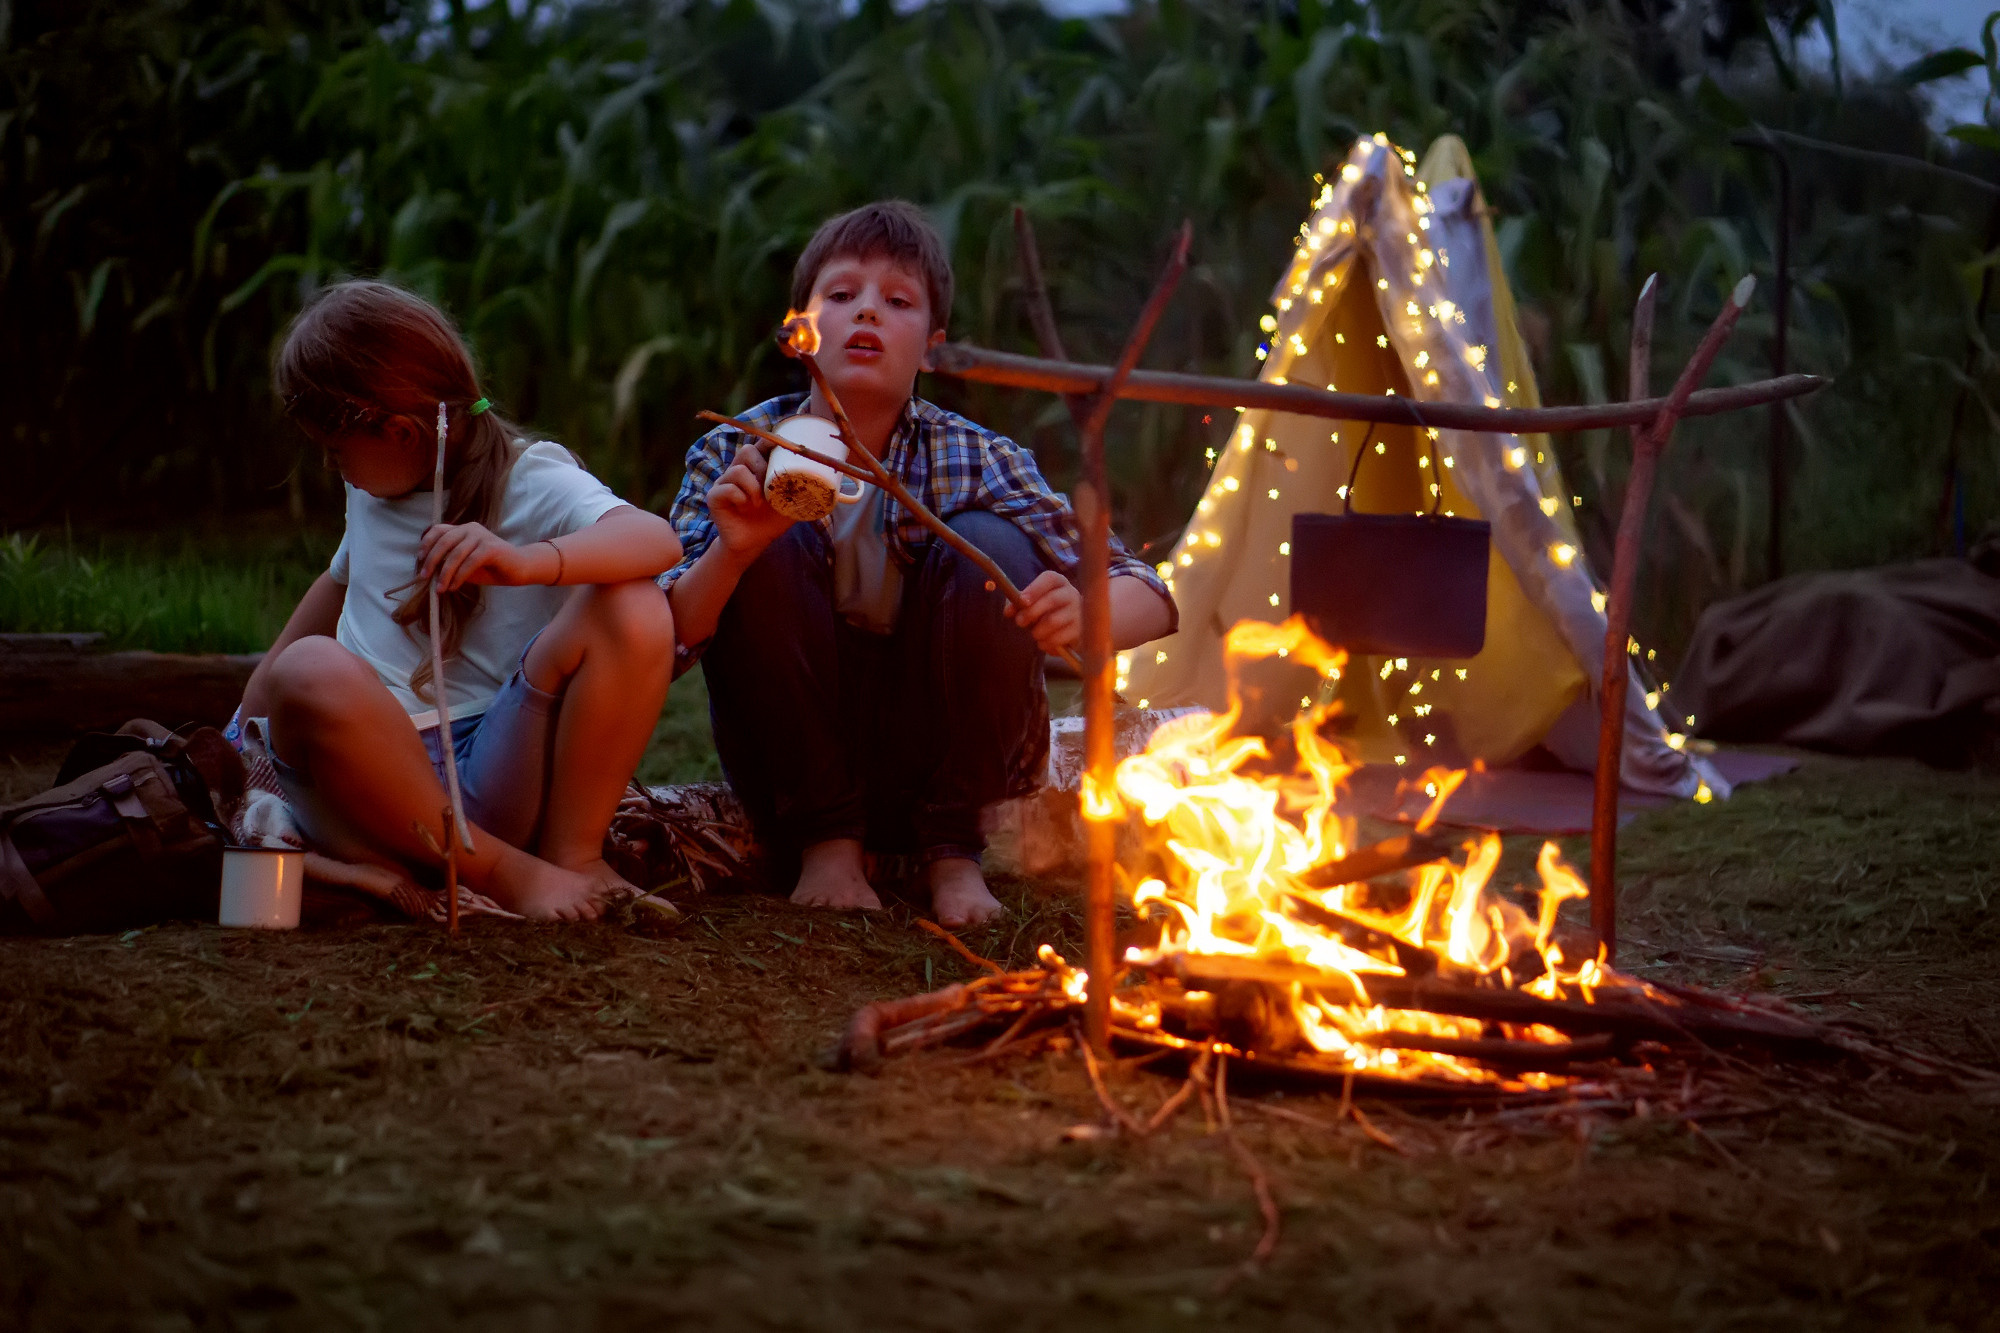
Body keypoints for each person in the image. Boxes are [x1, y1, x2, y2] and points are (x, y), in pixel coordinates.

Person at [662, 201, 1177, 928]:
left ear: (932, 349)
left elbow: (1148, 592)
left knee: (990, 542)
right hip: (788, 765)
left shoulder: (973, 455)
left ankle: (953, 854)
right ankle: (828, 847)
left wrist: (1085, 614)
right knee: (764, 542)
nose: (867, 311)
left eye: (897, 301)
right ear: (799, 332)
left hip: (939, 758)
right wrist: (735, 550)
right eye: (842, 294)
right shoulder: (735, 451)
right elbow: (671, 634)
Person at [236, 280, 681, 921]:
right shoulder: (374, 488)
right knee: (307, 666)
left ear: (401, 432)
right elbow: (337, 585)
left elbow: (656, 540)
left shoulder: (531, 479)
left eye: (334, 451)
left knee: (633, 605)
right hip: (367, 792)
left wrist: (526, 562)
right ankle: (506, 875)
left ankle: (572, 856)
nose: (332, 467)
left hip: (497, 771)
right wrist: (241, 724)